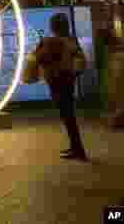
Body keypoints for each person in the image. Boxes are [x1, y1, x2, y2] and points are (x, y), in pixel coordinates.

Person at [34, 12, 88, 160]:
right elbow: (80, 60)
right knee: (68, 115)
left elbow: (39, 58)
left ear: (54, 26)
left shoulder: (51, 42)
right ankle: (75, 147)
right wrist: (73, 74)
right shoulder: (71, 40)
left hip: (57, 81)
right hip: (68, 80)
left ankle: (78, 150)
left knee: (67, 116)